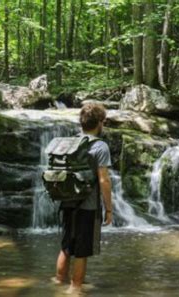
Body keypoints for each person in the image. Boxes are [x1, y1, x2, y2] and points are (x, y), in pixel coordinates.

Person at [53, 103, 113, 294]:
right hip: (87, 205)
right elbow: (103, 180)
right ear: (100, 123)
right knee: (82, 250)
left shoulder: (71, 143)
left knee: (66, 246)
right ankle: (75, 288)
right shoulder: (100, 146)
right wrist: (109, 208)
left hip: (67, 200)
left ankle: (58, 282)